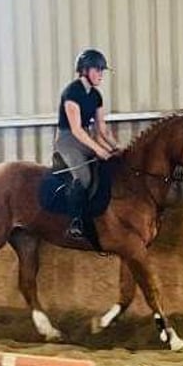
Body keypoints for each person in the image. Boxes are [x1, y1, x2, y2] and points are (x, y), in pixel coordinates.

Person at [54, 48, 119, 239]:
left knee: (109, 165)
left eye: (101, 71)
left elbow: (102, 129)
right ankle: (75, 222)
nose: (101, 74)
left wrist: (116, 148)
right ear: (85, 71)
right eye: (97, 70)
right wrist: (99, 149)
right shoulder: (71, 92)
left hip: (86, 137)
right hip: (68, 140)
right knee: (84, 177)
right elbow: (76, 129)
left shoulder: (96, 96)